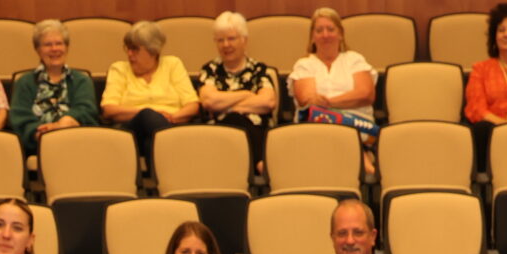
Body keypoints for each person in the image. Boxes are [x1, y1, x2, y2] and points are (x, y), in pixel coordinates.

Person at [101, 22, 201, 155]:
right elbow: (109, 109)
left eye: (135, 49)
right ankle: (179, 154)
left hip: (171, 124)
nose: (129, 54)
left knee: (151, 143)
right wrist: (153, 113)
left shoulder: (173, 64)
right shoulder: (119, 69)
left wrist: (172, 117)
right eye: (127, 48)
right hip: (132, 130)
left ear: (153, 50)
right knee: (147, 115)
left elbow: (192, 105)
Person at [196, 12, 281, 156]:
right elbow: (209, 102)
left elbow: (268, 102)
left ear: (244, 40)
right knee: (235, 120)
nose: (226, 45)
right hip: (218, 134)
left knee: (239, 120)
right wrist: (246, 94)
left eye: (231, 39)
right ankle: (260, 166)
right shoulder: (209, 70)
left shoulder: (258, 69)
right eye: (220, 40)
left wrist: (224, 105)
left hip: (256, 129)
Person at [289, 7, 378, 142]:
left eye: (331, 29)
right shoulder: (304, 64)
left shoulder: (354, 59)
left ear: (341, 34)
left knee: (346, 137)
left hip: (357, 125)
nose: (325, 35)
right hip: (315, 128)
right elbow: (307, 100)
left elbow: (366, 94)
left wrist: (329, 103)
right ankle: (365, 162)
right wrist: (346, 101)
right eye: (319, 30)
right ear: (312, 37)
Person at [11, 19, 100, 151]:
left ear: (67, 47)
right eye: (47, 44)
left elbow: (86, 110)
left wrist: (64, 123)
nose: (54, 49)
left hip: (79, 143)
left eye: (59, 43)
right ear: (37, 50)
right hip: (38, 146)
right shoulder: (25, 82)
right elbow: (19, 118)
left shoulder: (81, 80)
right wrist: (40, 133)